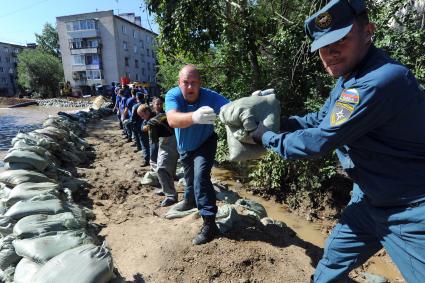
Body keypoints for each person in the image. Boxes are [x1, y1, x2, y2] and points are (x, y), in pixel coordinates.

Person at [250, 0, 425, 282]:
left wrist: (266, 136)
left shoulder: (379, 81)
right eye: (322, 46)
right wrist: (277, 122)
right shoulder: (350, 77)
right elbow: (320, 119)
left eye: (340, 40)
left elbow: (319, 141)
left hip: (411, 210)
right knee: (328, 269)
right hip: (368, 200)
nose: (328, 53)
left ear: (368, 32)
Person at [165, 64, 229, 245]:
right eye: (186, 83)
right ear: (179, 83)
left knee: (201, 177)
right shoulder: (173, 95)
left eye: (194, 83)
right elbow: (172, 119)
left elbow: (231, 108)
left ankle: (209, 223)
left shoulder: (210, 96)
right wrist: (194, 117)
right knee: (190, 177)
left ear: (200, 83)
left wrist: (250, 104)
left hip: (205, 142)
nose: (190, 87)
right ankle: (189, 200)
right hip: (185, 146)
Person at [147, 107, 179, 207]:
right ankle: (166, 188)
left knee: (161, 168)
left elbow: (153, 142)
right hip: (169, 140)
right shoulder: (160, 116)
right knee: (169, 167)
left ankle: (171, 196)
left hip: (169, 141)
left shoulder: (153, 122)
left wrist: (152, 157)